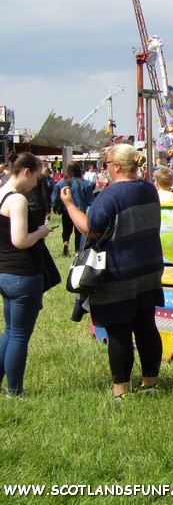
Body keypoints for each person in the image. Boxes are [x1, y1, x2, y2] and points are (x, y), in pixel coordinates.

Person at [61, 144, 164, 400]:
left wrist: (69, 205)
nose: (105, 167)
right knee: (145, 325)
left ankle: (121, 391)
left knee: (119, 330)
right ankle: (150, 383)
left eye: (107, 163)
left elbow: (91, 230)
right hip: (149, 266)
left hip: (119, 270)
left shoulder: (109, 196)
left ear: (116, 167)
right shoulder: (150, 189)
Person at [0, 153, 56, 397]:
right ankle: (15, 391)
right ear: (26, 171)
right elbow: (20, 240)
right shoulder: (18, 200)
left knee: (10, 331)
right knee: (19, 336)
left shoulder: (1, 193)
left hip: (5, 272)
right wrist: (41, 232)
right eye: (36, 176)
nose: (36, 183)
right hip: (23, 273)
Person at [52, 162, 95, 257]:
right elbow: (90, 200)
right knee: (79, 232)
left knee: (66, 230)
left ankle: (66, 243)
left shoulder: (61, 182)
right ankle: (77, 249)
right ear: (79, 170)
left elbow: (55, 197)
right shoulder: (84, 183)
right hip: (80, 211)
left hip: (66, 211)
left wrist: (55, 207)